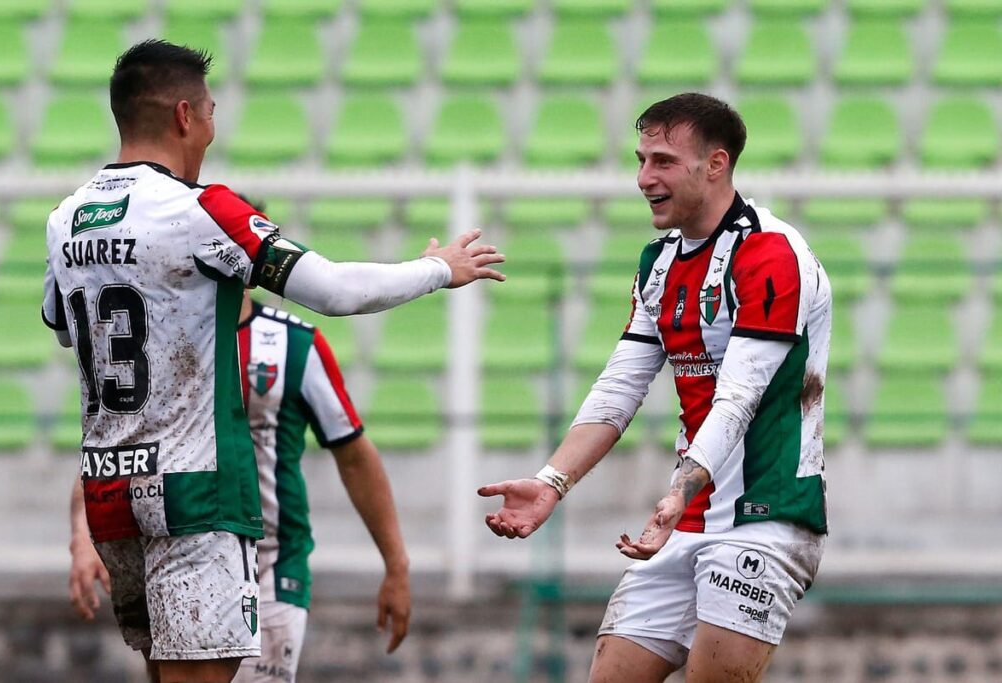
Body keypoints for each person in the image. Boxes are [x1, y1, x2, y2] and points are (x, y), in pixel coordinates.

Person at [43, 40, 502, 683]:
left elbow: (64, 328)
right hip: (195, 491)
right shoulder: (203, 208)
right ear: (183, 115)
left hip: (109, 491)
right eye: (209, 111)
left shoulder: (66, 220)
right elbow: (335, 290)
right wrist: (437, 269)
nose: (212, 125)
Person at [479, 93, 830, 682]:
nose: (644, 178)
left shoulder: (771, 253)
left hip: (764, 516)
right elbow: (619, 387)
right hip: (684, 518)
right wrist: (551, 483)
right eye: (641, 159)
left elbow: (737, 398)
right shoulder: (658, 262)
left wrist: (677, 490)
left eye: (663, 161)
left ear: (715, 164)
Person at [69, 289, 412, 683]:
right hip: (177, 556)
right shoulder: (156, 342)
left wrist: (396, 565)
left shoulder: (294, 345)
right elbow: (114, 446)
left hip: (271, 563)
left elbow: (354, 455)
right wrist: (82, 537)